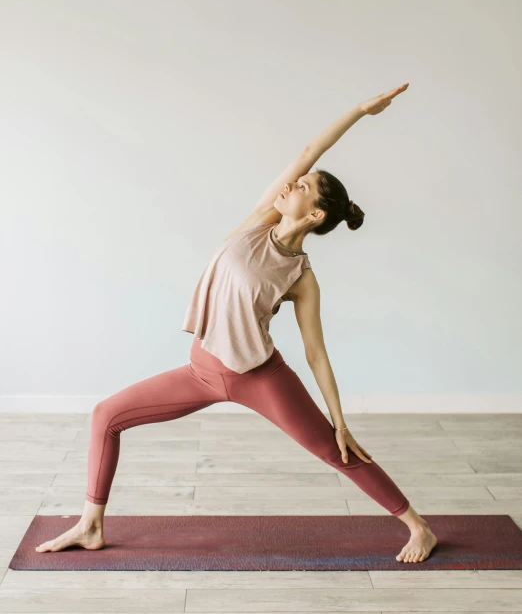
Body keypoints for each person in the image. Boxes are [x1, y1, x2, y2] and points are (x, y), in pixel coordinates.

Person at [36, 83, 437, 563]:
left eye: (305, 186)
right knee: (106, 416)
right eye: (299, 178)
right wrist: (358, 111)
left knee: (336, 450)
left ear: (315, 214)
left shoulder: (302, 278)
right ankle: (91, 525)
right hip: (200, 372)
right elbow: (311, 149)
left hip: (259, 378)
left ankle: (418, 527)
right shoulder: (257, 223)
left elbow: (315, 353)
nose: (295, 182)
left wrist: (340, 421)